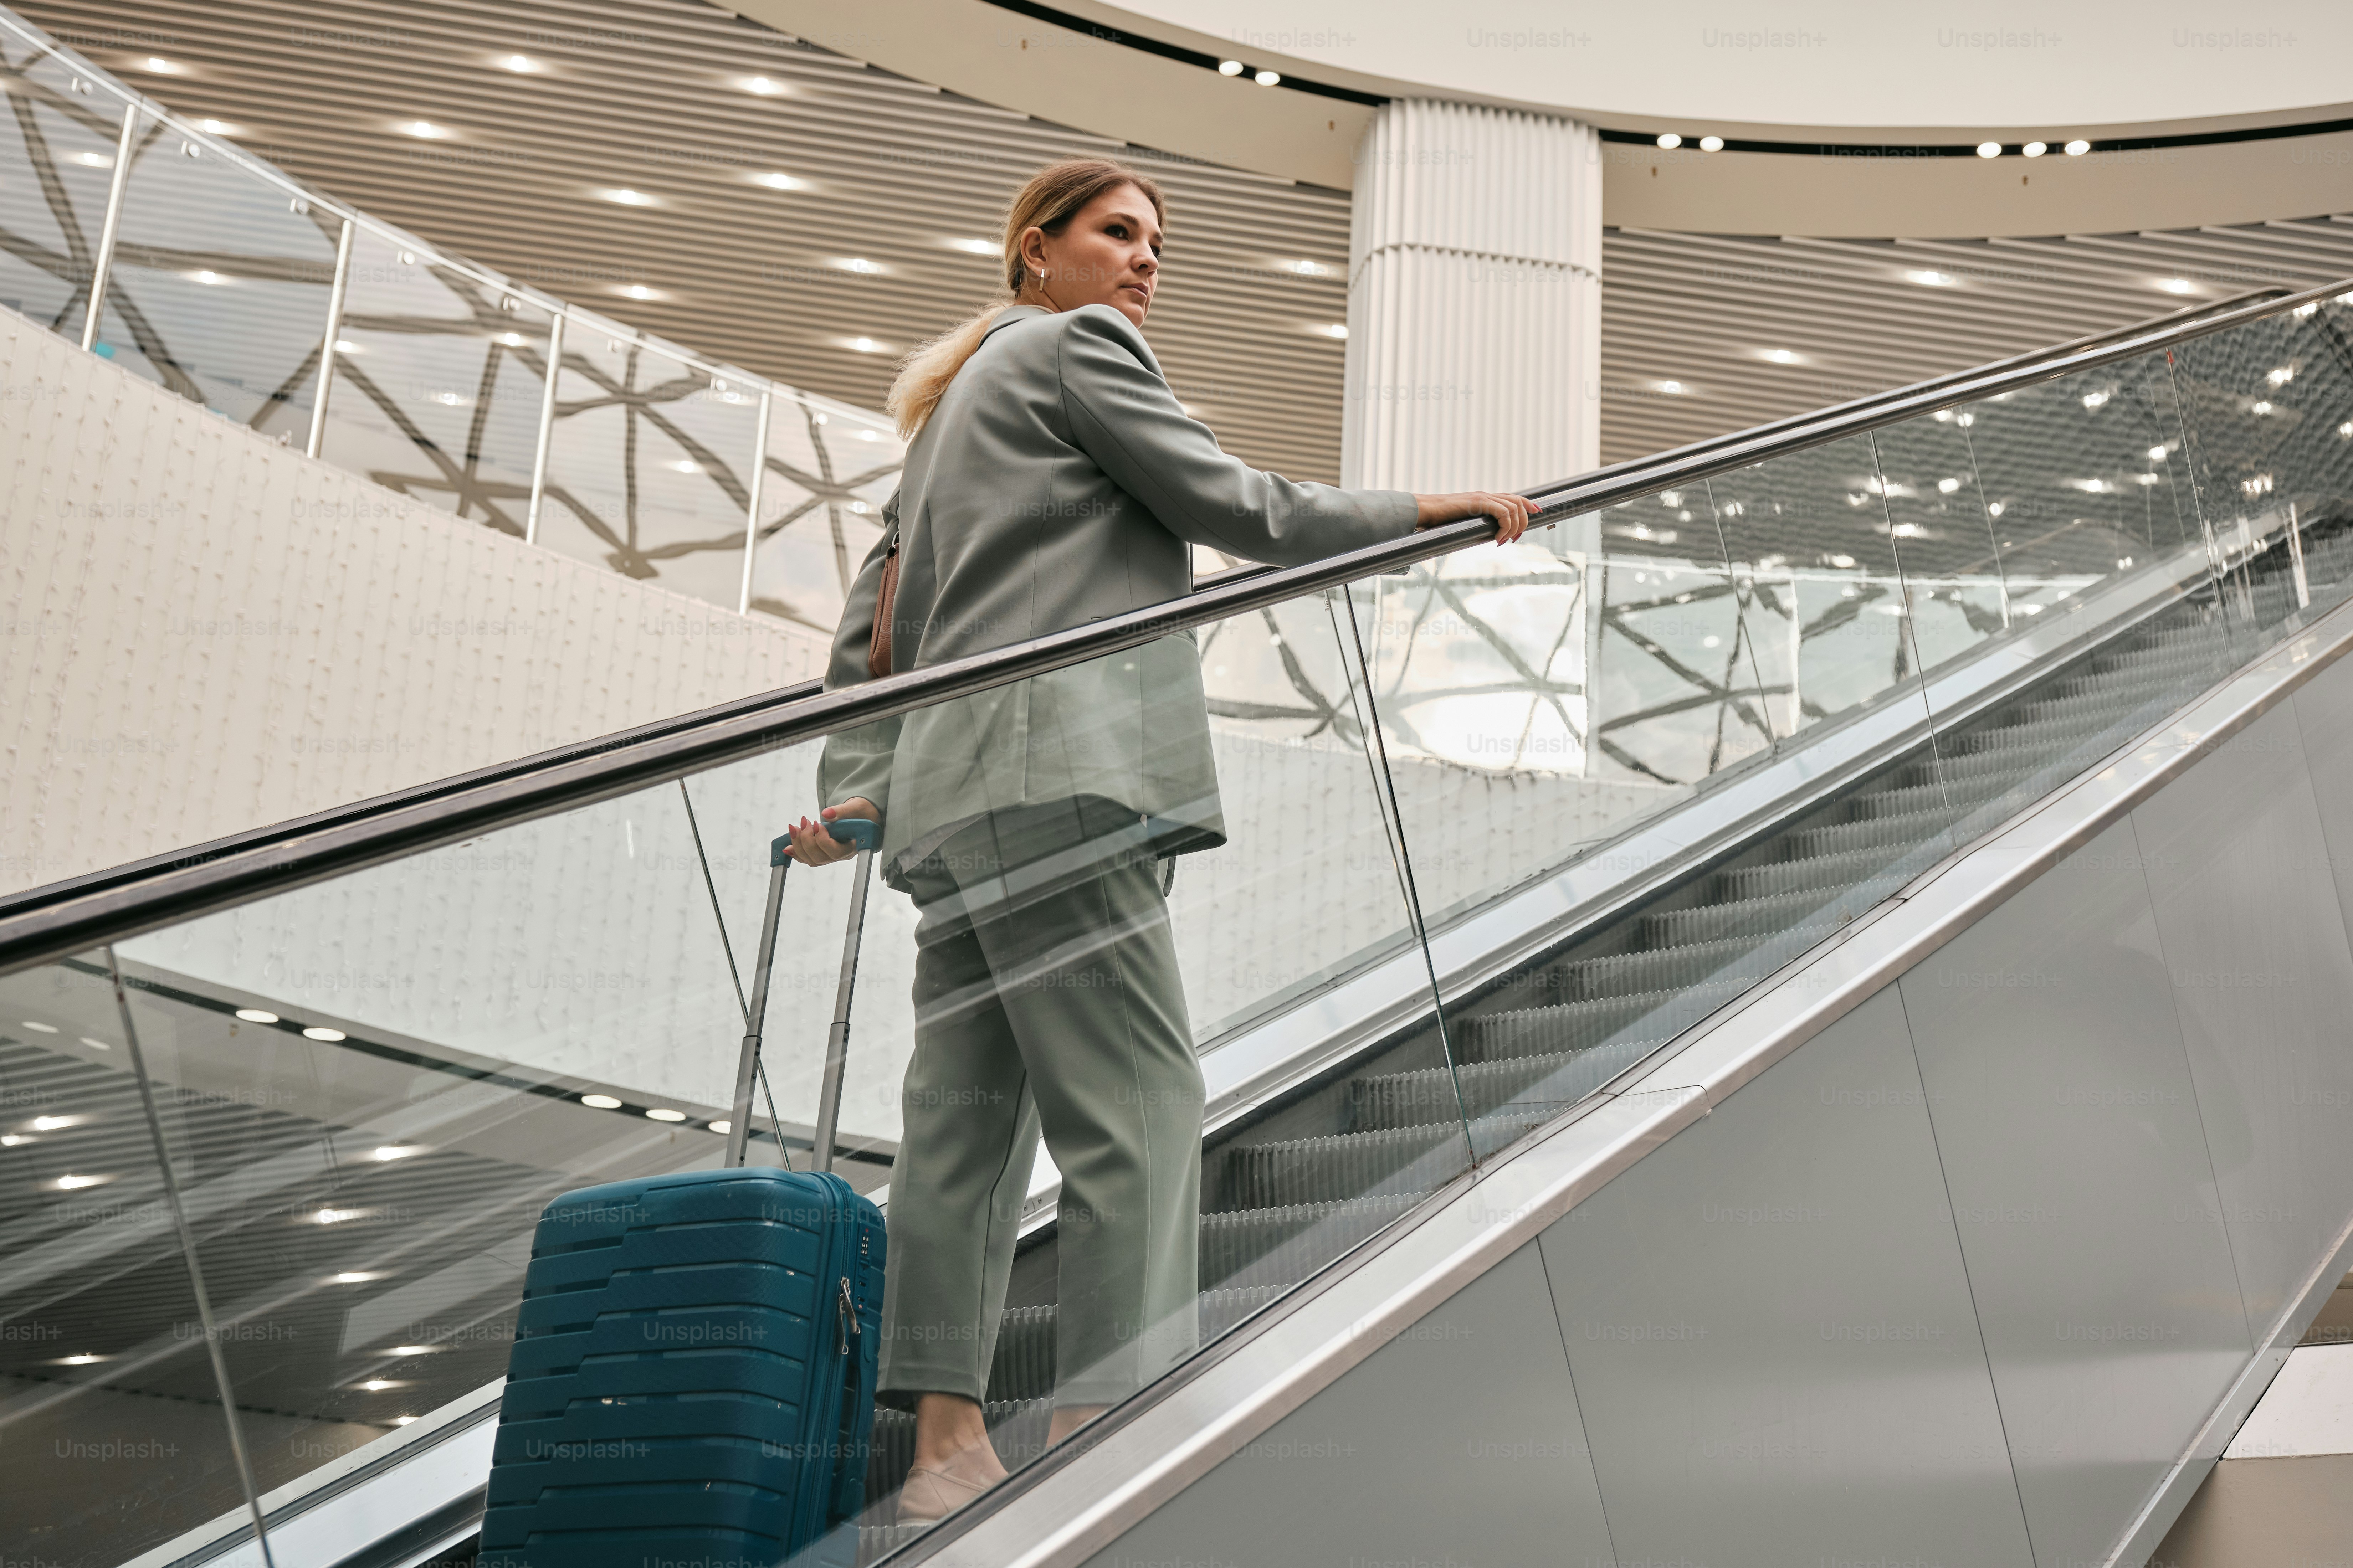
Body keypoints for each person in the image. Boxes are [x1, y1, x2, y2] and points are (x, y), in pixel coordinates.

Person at [785, 156, 1534, 1526]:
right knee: (1139, 1110)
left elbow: (866, 641)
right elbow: (1235, 505)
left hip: (954, 814)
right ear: (1037, 255)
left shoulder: (944, 425)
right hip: (1066, 783)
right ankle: (1108, 1426)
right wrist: (1419, 513)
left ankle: (947, 1453)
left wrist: (861, 799)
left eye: (1154, 245)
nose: (1143, 264)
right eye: (1117, 234)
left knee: (963, 1127)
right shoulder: (1079, 349)